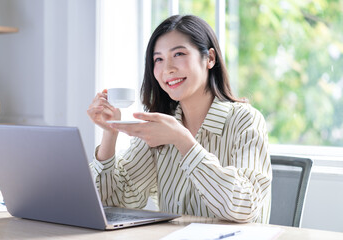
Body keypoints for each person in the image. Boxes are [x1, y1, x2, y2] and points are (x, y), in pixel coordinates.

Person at [87, 15, 271, 223]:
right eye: (159, 59)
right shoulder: (160, 124)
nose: (167, 69)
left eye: (179, 54)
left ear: (210, 58)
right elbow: (113, 202)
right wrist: (110, 132)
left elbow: (245, 206)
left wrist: (183, 141)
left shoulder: (245, 120)